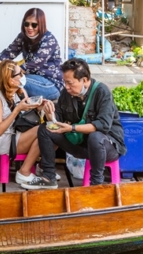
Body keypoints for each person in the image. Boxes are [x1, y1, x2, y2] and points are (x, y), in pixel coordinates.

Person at [22, 58, 126, 189]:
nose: (66, 87)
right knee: (45, 129)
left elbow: (103, 125)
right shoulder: (67, 93)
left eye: (70, 83)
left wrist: (72, 128)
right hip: (80, 145)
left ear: (85, 80)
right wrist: (49, 114)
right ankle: (48, 177)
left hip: (106, 148)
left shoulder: (102, 91)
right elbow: (58, 118)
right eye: (65, 82)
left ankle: (96, 185)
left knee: (95, 136)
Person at [0, 60, 42, 187]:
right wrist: (17, 110)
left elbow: (28, 116)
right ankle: (24, 172)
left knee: (51, 131)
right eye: (19, 74)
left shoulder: (20, 92)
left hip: (18, 134)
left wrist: (39, 107)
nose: (23, 76)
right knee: (42, 131)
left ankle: (40, 167)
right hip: (2, 140)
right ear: (10, 80)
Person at [0, 7, 63, 101]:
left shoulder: (49, 40)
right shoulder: (23, 36)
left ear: (41, 25)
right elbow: (10, 52)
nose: (29, 28)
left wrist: (8, 72)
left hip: (51, 85)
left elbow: (34, 63)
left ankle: (17, 110)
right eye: (26, 24)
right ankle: (9, 110)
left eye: (34, 25)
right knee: (8, 80)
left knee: (10, 80)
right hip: (31, 79)